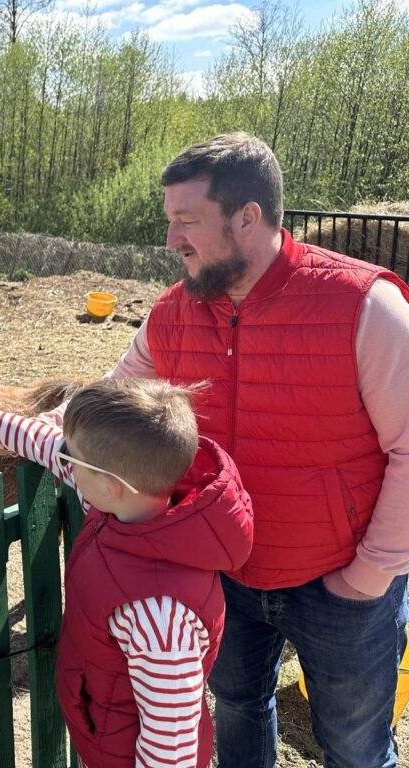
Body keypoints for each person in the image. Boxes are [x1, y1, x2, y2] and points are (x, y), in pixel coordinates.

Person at [108, 132, 409, 768]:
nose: (170, 241)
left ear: (248, 218)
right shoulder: (172, 312)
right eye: (169, 222)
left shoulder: (365, 307)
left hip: (341, 586)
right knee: (240, 712)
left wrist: (370, 574)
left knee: (354, 748)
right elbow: (111, 403)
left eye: (186, 221)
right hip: (225, 572)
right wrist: (6, 428)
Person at [0, 377, 254, 768]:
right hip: (105, 729)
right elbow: (37, 441)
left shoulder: (161, 617)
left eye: (72, 458)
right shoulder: (123, 507)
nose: (64, 461)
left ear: (109, 485)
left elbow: (171, 750)